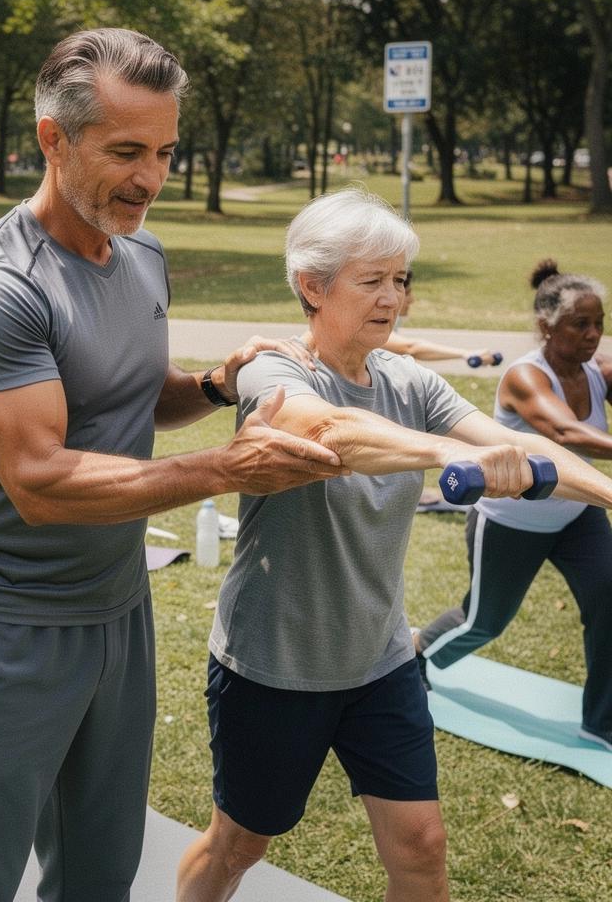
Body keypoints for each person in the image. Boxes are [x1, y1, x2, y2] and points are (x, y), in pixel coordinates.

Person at [0, 28, 345, 902]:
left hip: (117, 608)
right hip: (5, 624)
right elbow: (40, 480)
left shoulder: (140, 252)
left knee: (101, 871)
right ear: (52, 139)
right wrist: (228, 469)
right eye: (126, 151)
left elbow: (128, 397)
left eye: (165, 151)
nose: (150, 177)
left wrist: (215, 387)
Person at [175, 189, 612, 902]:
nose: (393, 298)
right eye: (372, 281)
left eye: (400, 281)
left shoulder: (409, 382)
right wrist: (447, 457)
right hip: (275, 665)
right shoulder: (275, 372)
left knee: (422, 846)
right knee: (238, 844)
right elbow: (334, 436)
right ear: (312, 286)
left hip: (379, 661)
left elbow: (524, 442)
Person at [416, 260, 612, 750]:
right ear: (547, 326)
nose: (594, 334)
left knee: (611, 603)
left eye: (600, 322)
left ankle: (602, 721)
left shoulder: (599, 373)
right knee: (484, 621)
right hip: (512, 520)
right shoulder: (526, 377)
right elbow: (565, 432)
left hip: (577, 516)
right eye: (580, 324)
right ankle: (414, 656)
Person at [384, 269, 501, 365]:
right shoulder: (374, 326)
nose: (412, 300)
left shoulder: (390, 321)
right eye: (408, 293)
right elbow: (411, 348)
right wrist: (465, 354)